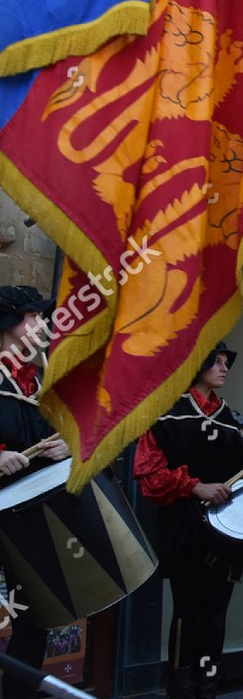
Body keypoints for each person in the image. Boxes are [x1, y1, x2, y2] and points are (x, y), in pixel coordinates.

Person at [134, 342, 243, 699]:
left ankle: (208, 685)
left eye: (227, 362)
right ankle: (180, 688)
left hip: (226, 532)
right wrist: (196, 487)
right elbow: (149, 476)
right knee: (187, 609)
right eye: (217, 361)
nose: (225, 368)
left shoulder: (233, 419)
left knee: (216, 610)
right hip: (184, 529)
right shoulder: (165, 414)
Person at [0, 286, 69, 699]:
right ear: (9, 325)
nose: (42, 325)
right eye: (33, 318)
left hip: (30, 523)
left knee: (34, 621)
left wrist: (64, 446)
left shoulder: (39, 384)